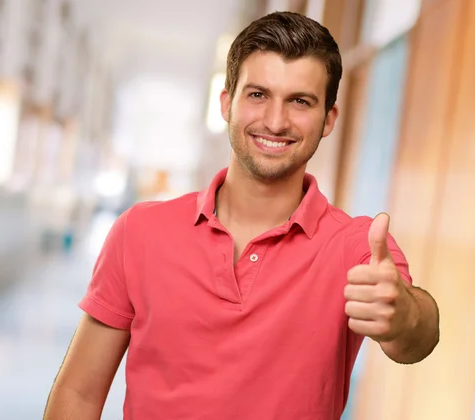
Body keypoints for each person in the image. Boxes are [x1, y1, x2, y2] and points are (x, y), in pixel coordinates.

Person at [44, 11, 440, 420]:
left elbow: (418, 337)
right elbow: (77, 393)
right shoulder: (139, 232)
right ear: (226, 103)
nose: (274, 120)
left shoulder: (357, 246)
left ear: (329, 120)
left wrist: (402, 315)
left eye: (300, 101)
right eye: (257, 95)